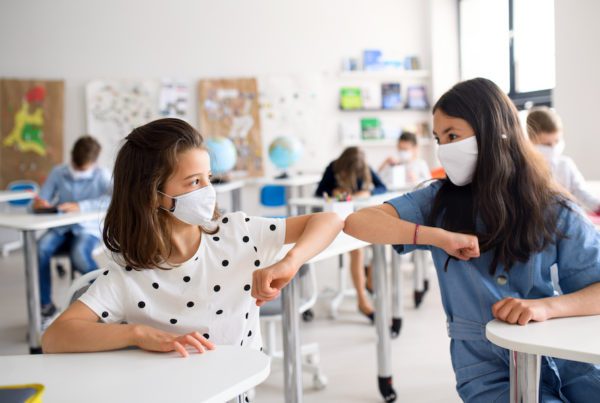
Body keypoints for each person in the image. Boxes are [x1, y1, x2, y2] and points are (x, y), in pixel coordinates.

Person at [340, 78, 600, 401]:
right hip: (488, 372)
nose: (443, 149)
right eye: (438, 138)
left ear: (493, 131)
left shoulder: (549, 206)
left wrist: (546, 307)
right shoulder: (436, 202)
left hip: (567, 359)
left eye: (452, 136)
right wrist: (436, 237)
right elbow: (358, 222)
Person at [42, 118, 343, 359]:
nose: (208, 191)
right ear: (152, 194)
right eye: (194, 182)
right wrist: (136, 334)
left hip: (236, 390)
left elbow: (329, 220)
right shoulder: (130, 271)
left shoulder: (238, 233)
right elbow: (55, 337)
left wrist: (290, 262)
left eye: (208, 178)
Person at [33, 135, 111, 320]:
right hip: (60, 227)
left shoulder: (102, 176)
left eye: (81, 168)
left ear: (94, 162)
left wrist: (81, 206)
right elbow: (41, 199)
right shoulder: (58, 172)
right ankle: (46, 305)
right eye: (75, 166)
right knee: (41, 248)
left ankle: (106, 300)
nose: (77, 171)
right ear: (71, 157)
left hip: (87, 230)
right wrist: (38, 204)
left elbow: (114, 200)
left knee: (79, 254)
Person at [315, 147, 387, 323]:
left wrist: (367, 192)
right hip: (339, 220)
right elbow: (319, 193)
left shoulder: (364, 167)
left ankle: (369, 280)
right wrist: (333, 193)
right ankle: (362, 301)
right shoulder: (333, 168)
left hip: (360, 217)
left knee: (381, 240)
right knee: (357, 251)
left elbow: (383, 187)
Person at [527, 106, 600, 213]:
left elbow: (581, 192)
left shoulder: (565, 164)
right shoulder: (525, 169)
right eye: (546, 144)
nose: (553, 147)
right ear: (531, 141)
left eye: (557, 141)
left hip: (569, 219)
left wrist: (597, 205)